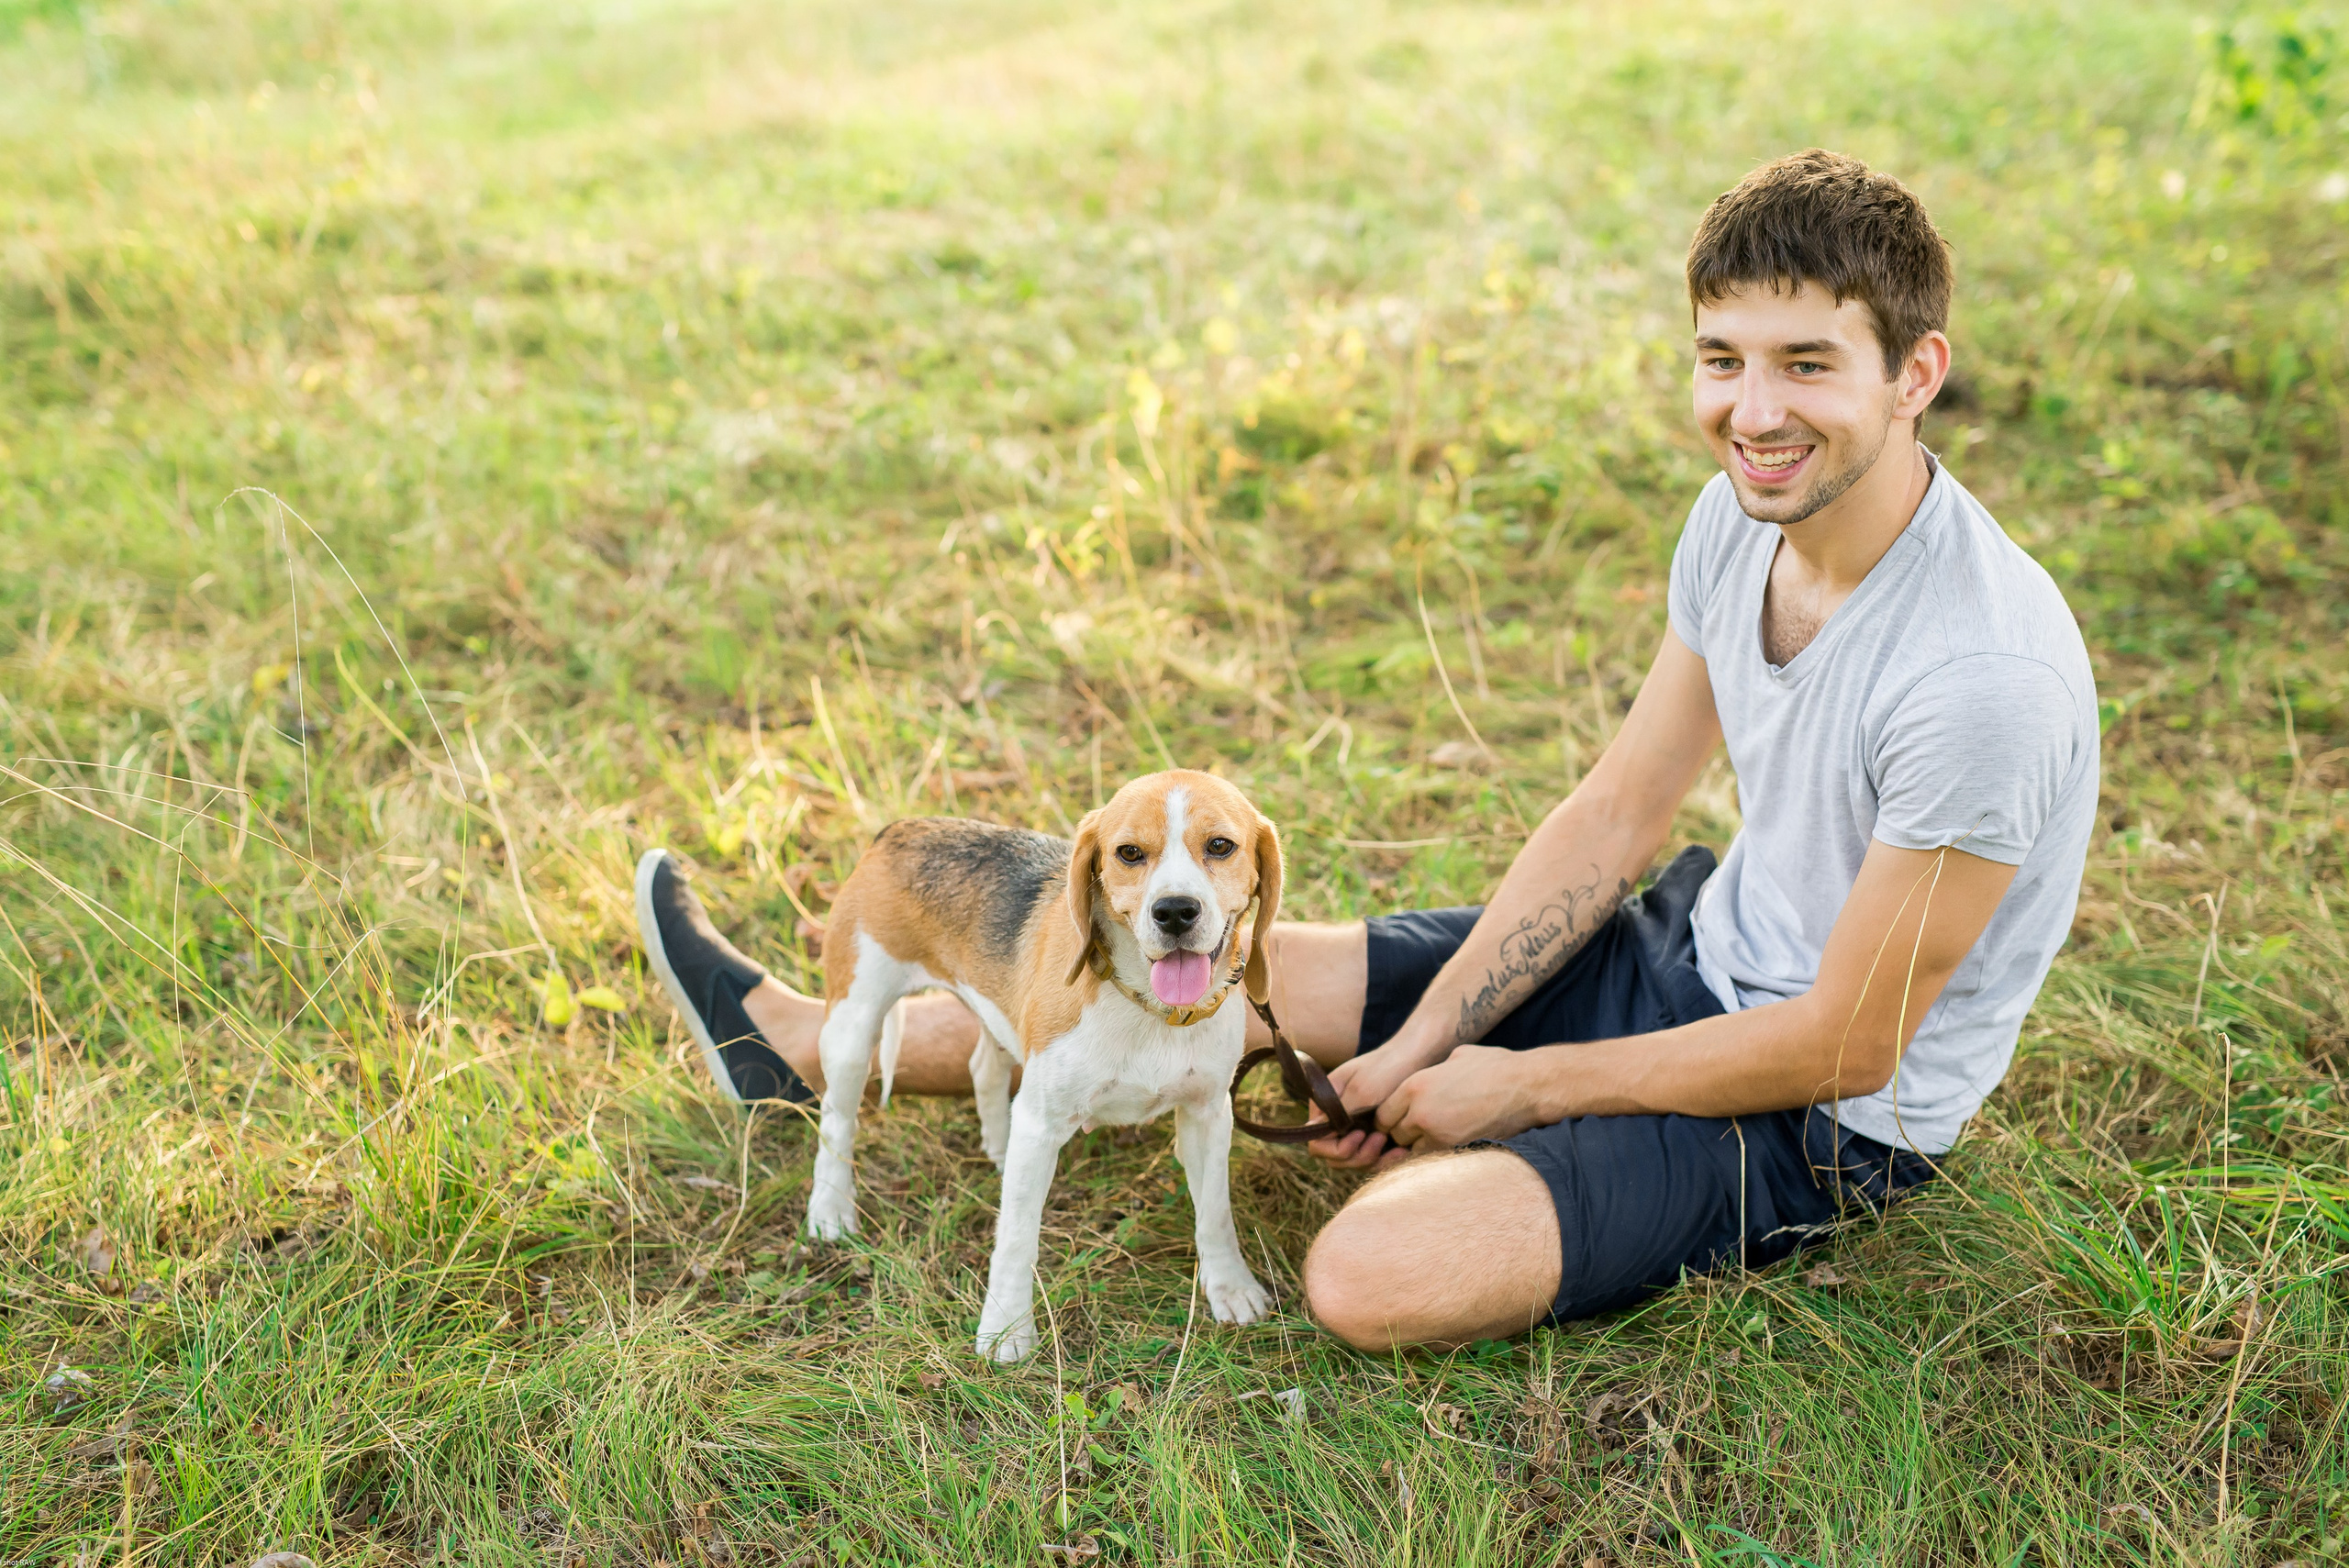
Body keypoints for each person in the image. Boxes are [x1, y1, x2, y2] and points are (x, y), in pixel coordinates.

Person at [637, 150, 2099, 1353]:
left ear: (1916, 373)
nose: (1753, 411)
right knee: (1206, 974)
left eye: (1807, 365)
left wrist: (1513, 1091)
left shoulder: (1979, 677)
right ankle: (805, 1042)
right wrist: (1424, 1040)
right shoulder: (1744, 515)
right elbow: (1615, 813)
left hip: (1823, 1115)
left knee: (1365, 1276)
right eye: (1723, 360)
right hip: (1685, 949)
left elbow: (1851, 1037)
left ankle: (1507, 1163)